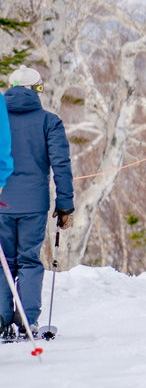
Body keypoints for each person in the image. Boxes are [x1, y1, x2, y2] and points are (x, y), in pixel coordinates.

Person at [1, 66, 70, 342]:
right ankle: (27, 321)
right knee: (29, 260)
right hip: (33, 203)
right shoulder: (49, 121)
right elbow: (61, 165)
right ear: (35, 90)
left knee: (3, 261)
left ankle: (2, 318)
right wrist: (65, 204)